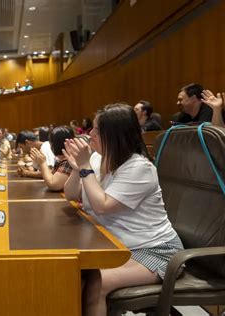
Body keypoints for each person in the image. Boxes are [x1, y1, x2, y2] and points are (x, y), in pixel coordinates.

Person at [63, 104, 183, 315]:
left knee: (96, 283)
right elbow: (71, 194)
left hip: (155, 249)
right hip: (116, 246)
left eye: (97, 130)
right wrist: (76, 168)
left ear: (114, 135)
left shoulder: (139, 168)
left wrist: (84, 168)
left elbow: (102, 206)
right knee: (72, 275)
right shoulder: (97, 158)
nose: (90, 134)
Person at [30, 126, 74, 191]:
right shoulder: (60, 158)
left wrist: (42, 162)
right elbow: (51, 175)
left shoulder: (69, 160)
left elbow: (53, 184)